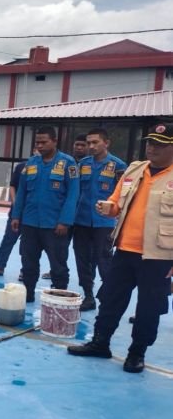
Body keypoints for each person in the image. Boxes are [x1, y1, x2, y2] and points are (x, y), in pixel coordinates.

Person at [67, 122, 173, 373]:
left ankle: (137, 353)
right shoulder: (135, 170)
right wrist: (110, 207)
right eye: (150, 143)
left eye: (160, 145)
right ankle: (100, 343)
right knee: (110, 300)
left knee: (148, 308)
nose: (152, 148)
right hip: (125, 250)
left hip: (158, 257)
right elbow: (116, 200)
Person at [10, 126, 79, 302]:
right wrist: (16, 216)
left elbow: (73, 195)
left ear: (55, 141)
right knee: (28, 263)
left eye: (44, 142)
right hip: (30, 223)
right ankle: (29, 294)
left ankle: (60, 297)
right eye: (37, 142)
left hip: (54, 225)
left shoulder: (68, 163)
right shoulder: (31, 163)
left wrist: (65, 221)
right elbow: (22, 192)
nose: (40, 146)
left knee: (58, 265)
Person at [72, 128, 126, 311]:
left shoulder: (119, 166)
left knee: (105, 261)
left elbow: (124, 197)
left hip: (105, 223)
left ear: (106, 143)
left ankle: (109, 298)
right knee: (82, 260)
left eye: (95, 142)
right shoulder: (83, 164)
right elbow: (75, 191)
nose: (91, 146)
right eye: (89, 143)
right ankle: (88, 296)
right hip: (81, 220)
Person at [0, 158, 29, 277]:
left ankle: (25, 270)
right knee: (8, 240)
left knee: (28, 244)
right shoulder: (21, 167)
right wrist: (16, 203)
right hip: (16, 212)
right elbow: (13, 186)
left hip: (32, 213)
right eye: (37, 146)